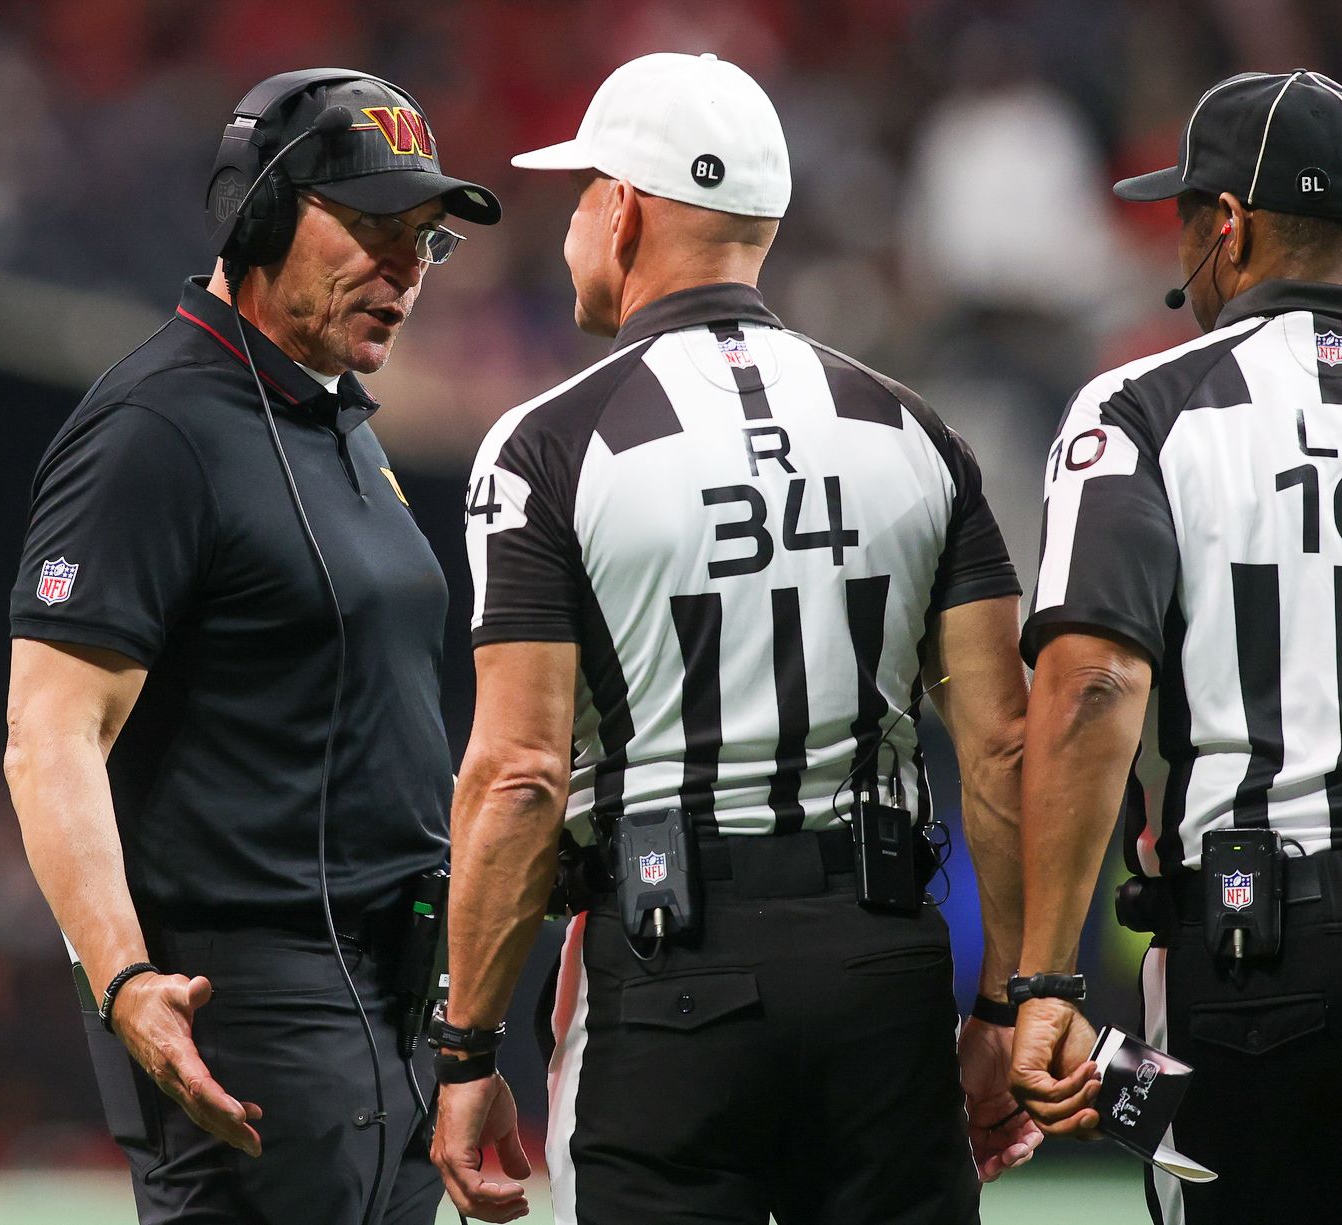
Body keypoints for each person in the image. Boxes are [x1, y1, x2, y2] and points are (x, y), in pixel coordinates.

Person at [429, 52, 1040, 1225]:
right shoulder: (911, 430)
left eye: (581, 194)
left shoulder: (546, 447)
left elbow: (516, 775)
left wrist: (463, 1051)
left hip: (670, 971)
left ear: (623, 211)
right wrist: (1011, 1001)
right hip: (881, 961)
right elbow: (1005, 744)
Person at [2, 68, 499, 1225]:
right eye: (375, 227)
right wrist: (124, 978)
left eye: (426, 242)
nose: (405, 269)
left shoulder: (339, 428)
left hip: (390, 1000)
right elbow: (48, 733)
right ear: (260, 215)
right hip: (247, 999)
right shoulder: (152, 430)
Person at [1009, 70, 1342, 1225]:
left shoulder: (1135, 408)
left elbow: (1090, 684)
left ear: (1226, 226)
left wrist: (1044, 981)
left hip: (1261, 949)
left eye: (1184, 214)